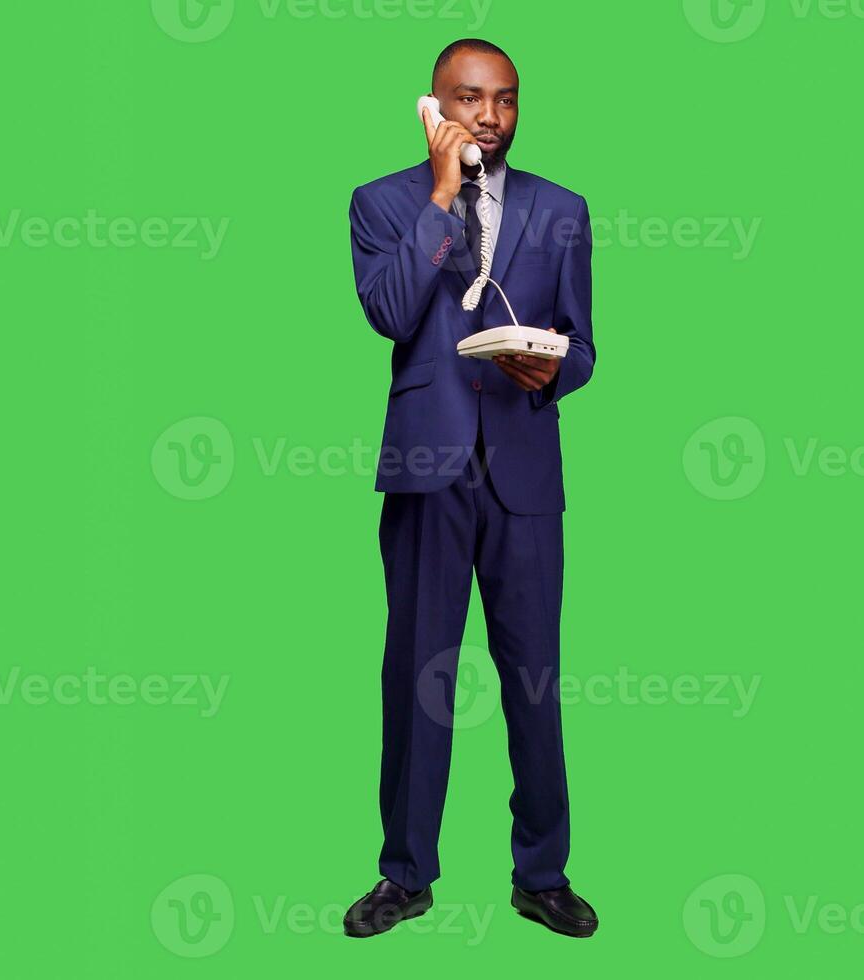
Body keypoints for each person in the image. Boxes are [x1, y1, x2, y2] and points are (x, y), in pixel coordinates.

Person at [342, 38, 599, 940]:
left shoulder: (562, 209)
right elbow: (389, 309)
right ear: (435, 105)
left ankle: (544, 873)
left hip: (525, 471)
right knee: (418, 673)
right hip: (427, 468)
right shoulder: (382, 203)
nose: (490, 116)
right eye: (470, 99)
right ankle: (405, 875)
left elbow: (586, 345)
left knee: (534, 679)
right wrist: (443, 196)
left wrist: (552, 372)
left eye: (507, 100)